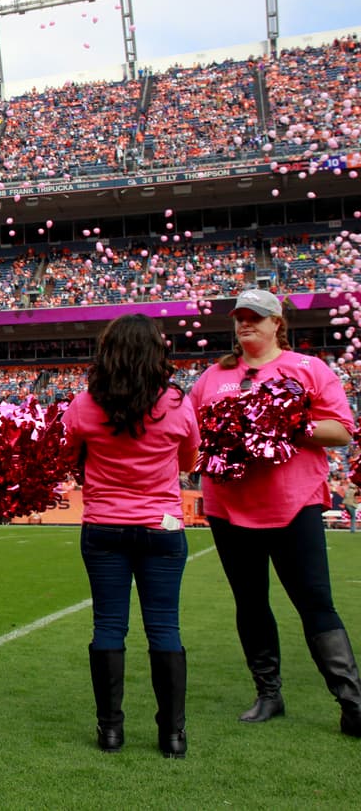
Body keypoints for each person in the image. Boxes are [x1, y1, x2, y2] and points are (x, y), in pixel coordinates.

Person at [189, 289, 361, 737]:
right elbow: (191, 437)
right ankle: (269, 694)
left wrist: (286, 421)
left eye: (256, 317)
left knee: (315, 603)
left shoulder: (309, 369)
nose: (246, 323)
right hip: (229, 508)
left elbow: (342, 431)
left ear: (276, 323)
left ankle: (352, 702)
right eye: (240, 317)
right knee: (250, 603)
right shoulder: (211, 377)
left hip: (294, 506)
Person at [61, 314, 199, 758]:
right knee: (165, 627)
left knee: (108, 626)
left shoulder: (85, 404)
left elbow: (68, 455)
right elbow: (189, 462)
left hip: (103, 525)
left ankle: (111, 730)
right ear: (156, 354)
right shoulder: (176, 402)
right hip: (162, 525)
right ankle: (172, 735)